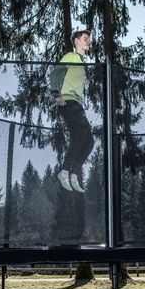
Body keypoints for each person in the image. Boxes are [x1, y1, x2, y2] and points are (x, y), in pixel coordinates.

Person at [49, 29, 94, 193]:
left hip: (76, 103)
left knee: (89, 141)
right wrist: (56, 94)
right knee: (82, 134)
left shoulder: (81, 62)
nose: (88, 41)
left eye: (89, 39)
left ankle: (73, 172)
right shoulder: (71, 56)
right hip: (67, 101)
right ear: (76, 41)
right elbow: (55, 73)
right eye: (85, 39)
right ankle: (65, 171)